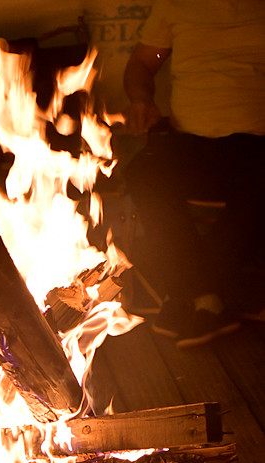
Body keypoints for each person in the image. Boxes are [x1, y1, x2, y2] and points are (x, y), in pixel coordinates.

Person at [123, 0, 265, 347]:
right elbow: (143, 63)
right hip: (190, 142)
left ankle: (187, 295)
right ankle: (209, 297)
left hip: (258, 144)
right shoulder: (178, 4)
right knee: (143, 172)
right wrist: (142, 99)